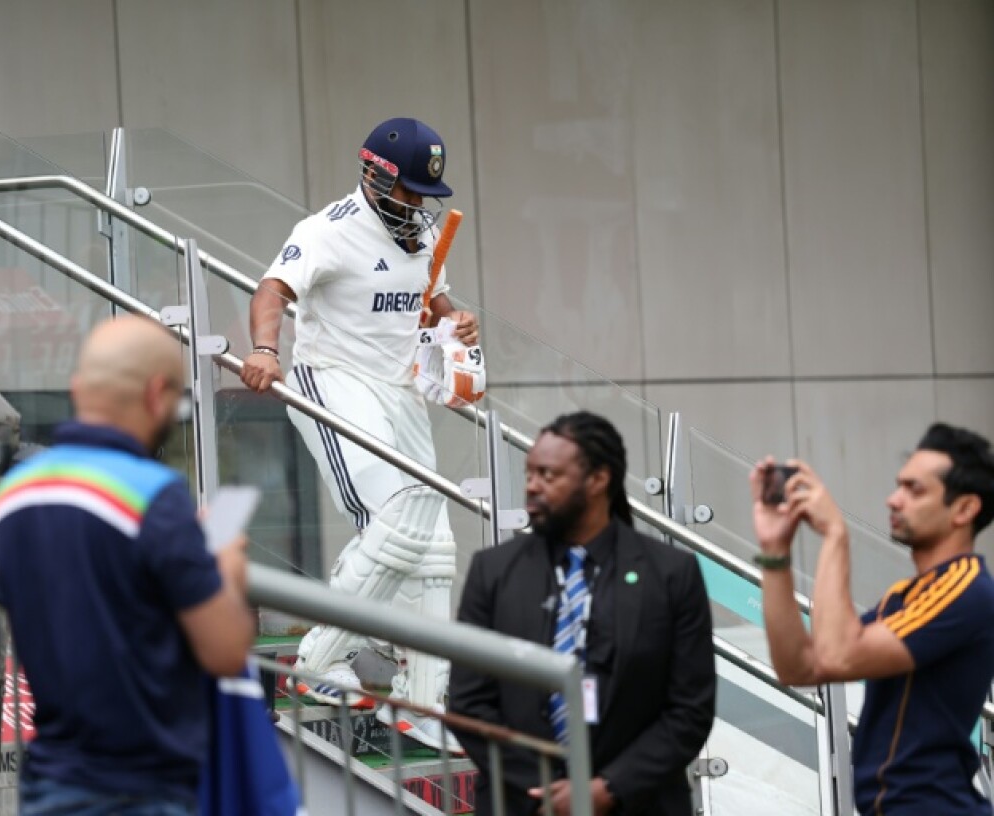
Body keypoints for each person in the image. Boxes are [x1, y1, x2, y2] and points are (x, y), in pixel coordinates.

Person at [239, 117, 482, 749]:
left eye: (426, 197)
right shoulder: (329, 230)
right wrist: (264, 348)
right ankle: (319, 659)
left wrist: (458, 321)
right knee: (397, 523)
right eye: (407, 192)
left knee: (434, 540)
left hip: (400, 393)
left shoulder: (422, 237)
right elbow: (272, 290)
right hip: (335, 382)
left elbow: (431, 303)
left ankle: (423, 702)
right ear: (374, 175)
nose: (417, 208)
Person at [0, 316, 255, 816]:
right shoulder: (154, 497)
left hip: (50, 782)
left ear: (77, 387)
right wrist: (225, 564)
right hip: (144, 786)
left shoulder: (11, 498)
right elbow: (223, 649)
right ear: (157, 394)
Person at [450, 411, 716, 816]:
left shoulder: (670, 574)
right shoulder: (493, 571)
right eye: (529, 474)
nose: (532, 487)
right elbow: (469, 703)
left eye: (548, 475)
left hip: (639, 802)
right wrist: (549, 792)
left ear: (598, 479)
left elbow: (690, 710)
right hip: (523, 803)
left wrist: (608, 788)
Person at [753, 423, 994, 815]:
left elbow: (838, 656)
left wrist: (835, 535)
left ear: (965, 509)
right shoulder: (906, 596)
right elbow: (797, 666)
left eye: (914, 490)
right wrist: (775, 551)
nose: (893, 500)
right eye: (899, 485)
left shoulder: (966, 587)